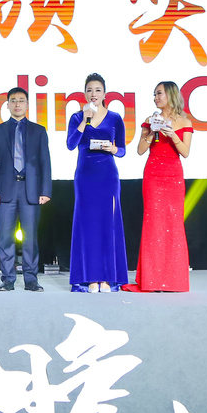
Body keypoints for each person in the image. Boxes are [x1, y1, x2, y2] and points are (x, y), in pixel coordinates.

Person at [124, 81, 194, 292]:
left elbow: (185, 152)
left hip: (174, 176)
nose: (156, 98)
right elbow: (140, 150)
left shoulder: (185, 121)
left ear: (170, 95)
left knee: (173, 224)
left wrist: (172, 134)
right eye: (154, 94)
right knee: (153, 224)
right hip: (153, 175)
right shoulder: (150, 120)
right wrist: (150, 132)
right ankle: (152, 279)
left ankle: (173, 280)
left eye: (159, 94)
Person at [66, 73, 128, 293]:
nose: (93, 94)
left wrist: (114, 149)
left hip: (108, 176)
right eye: (89, 90)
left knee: (108, 225)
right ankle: (90, 277)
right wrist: (85, 121)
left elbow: (122, 150)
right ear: (85, 93)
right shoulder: (77, 117)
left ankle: (108, 278)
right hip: (85, 176)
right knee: (88, 225)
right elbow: (71, 144)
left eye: (97, 90)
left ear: (104, 93)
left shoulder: (115, 118)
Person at [0, 86, 51, 291]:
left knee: (30, 238)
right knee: (5, 238)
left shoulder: (38, 131)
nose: (17, 104)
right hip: (5, 190)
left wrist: (45, 190)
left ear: (28, 105)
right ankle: (8, 279)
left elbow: (45, 162)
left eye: (21, 100)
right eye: (13, 100)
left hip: (30, 189)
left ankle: (31, 279)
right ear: (7, 105)